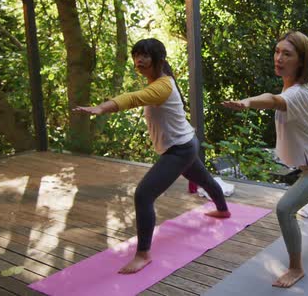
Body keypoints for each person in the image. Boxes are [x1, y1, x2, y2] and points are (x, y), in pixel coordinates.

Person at [73, 38, 231, 274]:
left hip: (180, 149)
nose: (139, 60)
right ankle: (223, 210)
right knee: (204, 179)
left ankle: (143, 254)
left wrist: (102, 107)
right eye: (137, 55)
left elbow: (133, 98)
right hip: (185, 144)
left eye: (145, 55)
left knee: (143, 194)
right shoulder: (158, 83)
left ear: (159, 59)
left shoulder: (162, 86)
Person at [222, 31, 308, 288]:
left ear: (301, 61)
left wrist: (247, 102)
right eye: (277, 51)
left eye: (287, 54)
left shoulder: (296, 94)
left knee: (285, 209)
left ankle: (296, 268)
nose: (279, 58)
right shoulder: (306, 84)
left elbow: (272, 100)